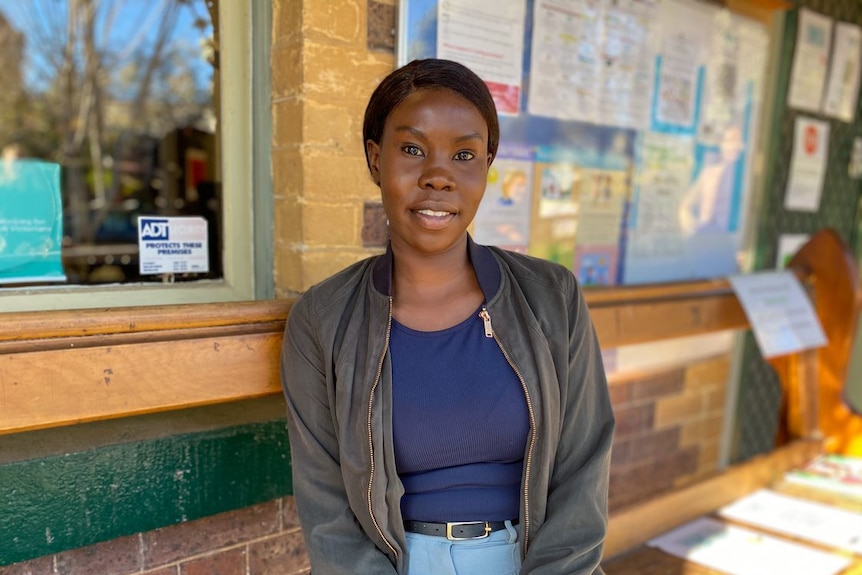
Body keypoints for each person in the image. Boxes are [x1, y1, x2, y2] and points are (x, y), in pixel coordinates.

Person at [281, 58, 614, 575]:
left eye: (464, 154)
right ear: (375, 159)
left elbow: (583, 469)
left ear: (486, 166)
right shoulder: (324, 321)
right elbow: (327, 510)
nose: (438, 177)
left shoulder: (551, 297)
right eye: (412, 149)